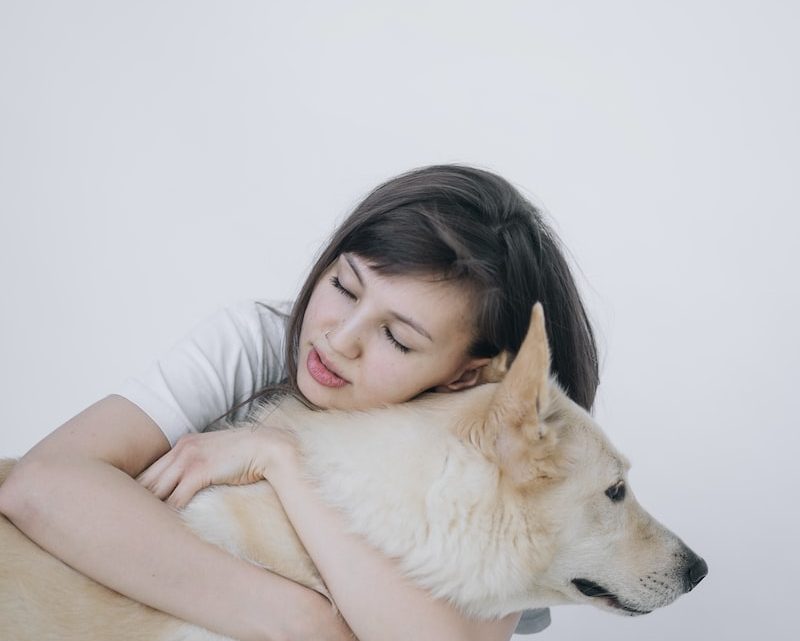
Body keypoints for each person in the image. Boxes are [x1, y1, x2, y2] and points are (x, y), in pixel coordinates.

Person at [0, 165, 599, 641]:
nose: (338, 340)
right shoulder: (256, 344)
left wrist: (279, 458)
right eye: (343, 286)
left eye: (397, 337)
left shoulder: (492, 455)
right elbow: (42, 484)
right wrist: (295, 618)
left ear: (468, 375)